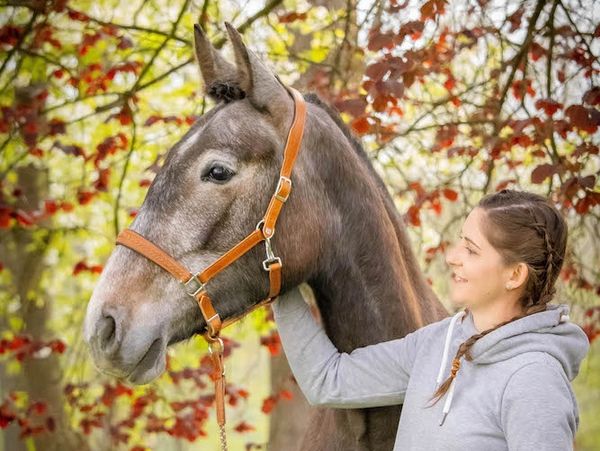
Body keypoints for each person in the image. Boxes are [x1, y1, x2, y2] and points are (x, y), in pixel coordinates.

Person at [272, 189, 590, 450]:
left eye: (471, 250)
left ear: (515, 274)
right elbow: (329, 381)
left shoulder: (534, 380)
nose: (452, 256)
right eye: (460, 242)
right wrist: (276, 279)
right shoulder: (437, 342)